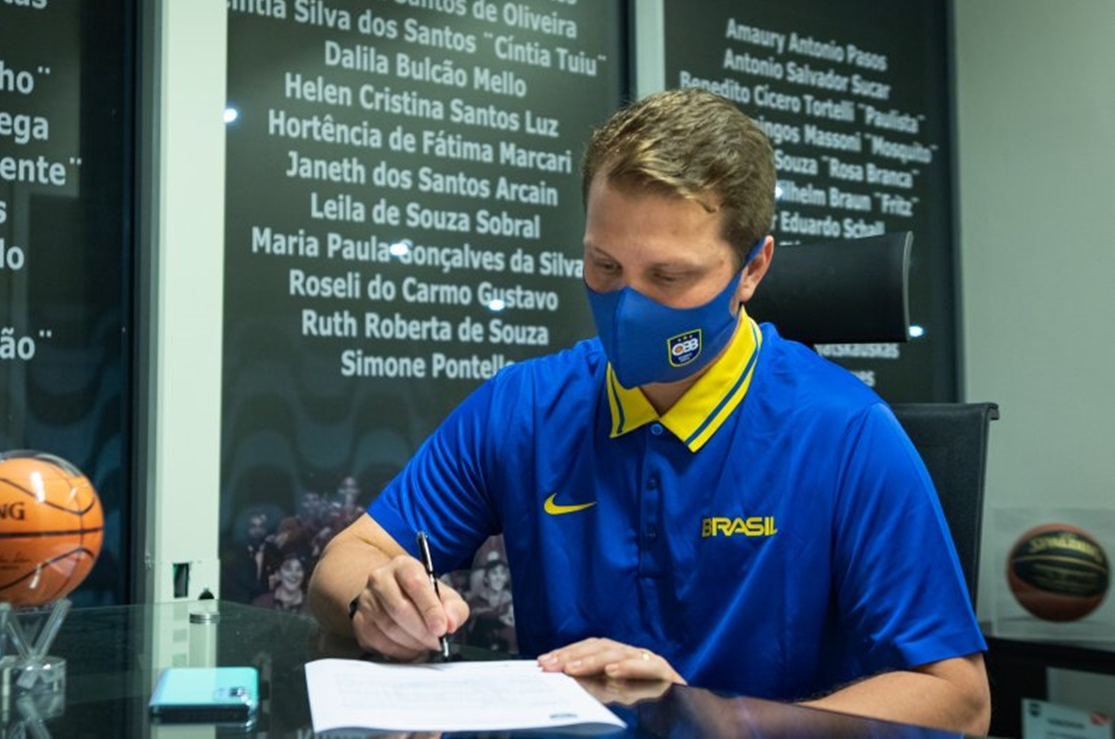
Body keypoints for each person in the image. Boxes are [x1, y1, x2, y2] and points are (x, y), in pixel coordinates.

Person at [307, 88, 989, 734]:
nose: (628, 306)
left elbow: (959, 697)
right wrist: (378, 602)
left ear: (752, 270)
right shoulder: (527, 405)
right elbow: (346, 559)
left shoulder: (844, 432)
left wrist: (711, 715)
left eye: (668, 277)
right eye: (604, 266)